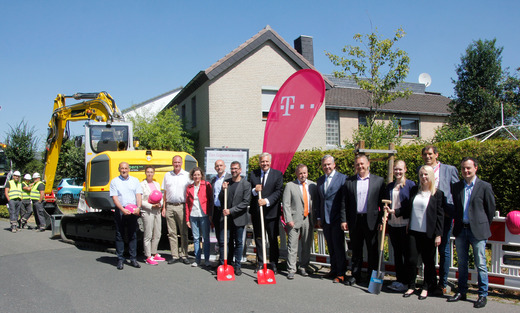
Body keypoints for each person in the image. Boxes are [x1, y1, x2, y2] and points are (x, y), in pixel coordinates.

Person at [447, 157, 496, 309]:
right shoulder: (456, 187)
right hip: (462, 229)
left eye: (468, 168)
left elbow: (490, 210)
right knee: (462, 263)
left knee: (480, 263)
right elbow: (456, 208)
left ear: (475, 168)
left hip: (477, 231)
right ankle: (462, 291)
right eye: (463, 168)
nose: (465, 171)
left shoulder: (484, 186)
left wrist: (482, 225)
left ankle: (482, 294)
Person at [342, 154, 386, 286]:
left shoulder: (378, 181)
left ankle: (372, 278)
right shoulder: (349, 182)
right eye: (357, 164)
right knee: (356, 250)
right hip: (355, 220)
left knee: (372, 250)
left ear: (368, 164)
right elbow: (344, 203)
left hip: (371, 220)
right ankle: (355, 275)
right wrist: (344, 220)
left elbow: (382, 203)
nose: (360, 166)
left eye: (362, 164)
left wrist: (380, 221)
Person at [421, 145, 458, 294]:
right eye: (425, 154)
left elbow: (456, 192)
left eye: (430, 154)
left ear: (436, 154)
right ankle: (430, 282)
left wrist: (453, 212)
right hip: (427, 217)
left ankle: (442, 283)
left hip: (445, 217)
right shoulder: (422, 169)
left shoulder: (449, 170)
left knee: (444, 250)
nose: (427, 157)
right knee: (428, 251)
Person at [402, 165, 444, 300]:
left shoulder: (437, 193)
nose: (423, 177)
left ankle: (426, 287)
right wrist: (394, 212)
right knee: (412, 260)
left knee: (428, 261)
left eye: (426, 174)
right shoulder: (415, 190)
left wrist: (438, 234)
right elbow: (407, 208)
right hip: (414, 231)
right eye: (421, 175)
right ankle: (411, 286)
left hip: (429, 233)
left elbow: (440, 215)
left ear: (431, 176)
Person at [249, 152, 284, 274]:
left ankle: (273, 263)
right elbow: (249, 190)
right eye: (262, 161)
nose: (264, 163)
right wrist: (254, 190)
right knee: (259, 238)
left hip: (271, 213)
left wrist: (266, 201)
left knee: (273, 239)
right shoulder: (253, 174)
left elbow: (278, 191)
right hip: (257, 213)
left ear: (270, 162)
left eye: (266, 161)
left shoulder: (277, 174)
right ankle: (260, 262)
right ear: (259, 162)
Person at [384, 160, 416, 292]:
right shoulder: (390, 186)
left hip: (405, 224)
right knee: (397, 253)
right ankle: (399, 280)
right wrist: (386, 211)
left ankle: (408, 282)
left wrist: (396, 212)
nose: (398, 172)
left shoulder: (410, 185)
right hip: (393, 224)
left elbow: (410, 206)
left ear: (405, 170)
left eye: (400, 169)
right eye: (396, 169)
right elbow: (386, 203)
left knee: (406, 254)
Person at [282, 164, 318, 279]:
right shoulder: (290, 186)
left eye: (305, 173)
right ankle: (291, 269)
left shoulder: (313, 185)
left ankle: (303, 266)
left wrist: (317, 218)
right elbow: (286, 204)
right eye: (300, 173)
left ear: (307, 173)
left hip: (308, 219)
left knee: (306, 244)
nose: (303, 175)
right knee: (292, 245)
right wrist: (288, 219)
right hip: (294, 220)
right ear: (296, 174)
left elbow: (316, 203)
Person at [315, 155, 347, 283]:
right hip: (325, 218)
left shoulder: (343, 178)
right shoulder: (320, 180)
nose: (327, 167)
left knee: (339, 247)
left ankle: (341, 273)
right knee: (331, 247)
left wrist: (344, 219)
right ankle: (333, 270)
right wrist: (318, 217)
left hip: (337, 218)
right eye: (324, 165)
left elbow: (344, 201)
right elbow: (319, 200)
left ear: (334, 165)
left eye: (329, 164)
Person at [219, 161, 251, 276]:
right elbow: (221, 199)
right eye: (232, 169)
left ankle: (237, 266)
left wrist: (231, 211)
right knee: (225, 242)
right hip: (226, 219)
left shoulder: (246, 184)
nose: (234, 171)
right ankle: (225, 264)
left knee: (238, 242)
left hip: (239, 218)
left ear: (240, 170)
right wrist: (223, 190)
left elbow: (245, 202)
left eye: (236, 169)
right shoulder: (227, 182)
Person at [110, 162, 143, 270]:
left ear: (129, 169)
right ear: (119, 169)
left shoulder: (135, 181)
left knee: (133, 234)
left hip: (133, 210)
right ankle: (120, 259)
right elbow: (115, 198)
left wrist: (138, 207)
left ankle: (133, 259)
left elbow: (138, 195)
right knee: (120, 235)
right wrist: (122, 209)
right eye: (122, 168)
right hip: (121, 210)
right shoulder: (114, 182)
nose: (124, 170)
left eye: (126, 168)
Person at [162, 155, 191, 265]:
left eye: (179, 162)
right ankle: (174, 255)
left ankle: (184, 255)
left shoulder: (187, 175)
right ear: (172, 163)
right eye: (175, 162)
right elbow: (165, 192)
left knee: (183, 232)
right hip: (169, 206)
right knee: (171, 232)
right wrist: (164, 207)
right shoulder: (167, 175)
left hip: (182, 206)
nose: (177, 164)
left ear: (182, 163)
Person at [185, 167, 214, 268]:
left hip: (204, 215)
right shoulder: (189, 187)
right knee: (196, 238)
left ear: (201, 175)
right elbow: (187, 204)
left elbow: (210, 201)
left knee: (205, 238)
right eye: (194, 175)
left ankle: (206, 260)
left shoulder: (206, 185)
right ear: (192, 176)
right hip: (193, 215)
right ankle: (197, 260)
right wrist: (187, 219)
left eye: (198, 174)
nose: (196, 176)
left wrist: (210, 215)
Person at [140, 166, 165, 266]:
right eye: (148, 172)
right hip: (148, 211)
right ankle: (148, 256)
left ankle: (154, 253)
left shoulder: (156, 184)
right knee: (148, 234)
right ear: (145, 173)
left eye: (151, 172)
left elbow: (160, 196)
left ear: (154, 173)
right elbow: (140, 200)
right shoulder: (141, 185)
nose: (149, 174)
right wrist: (151, 205)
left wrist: (161, 204)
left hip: (157, 210)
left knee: (158, 233)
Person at [211, 160, 231, 256]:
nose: (219, 167)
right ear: (215, 168)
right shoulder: (214, 180)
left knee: (225, 238)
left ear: (225, 166)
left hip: (225, 211)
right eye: (217, 166)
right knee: (218, 236)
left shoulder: (229, 178)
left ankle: (225, 260)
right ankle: (221, 259)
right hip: (216, 211)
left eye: (221, 165)